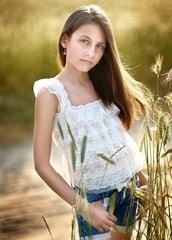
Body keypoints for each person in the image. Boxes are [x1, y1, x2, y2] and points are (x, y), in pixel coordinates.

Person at [33, 5, 149, 240]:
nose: (91, 53)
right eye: (84, 41)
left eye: (100, 46)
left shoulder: (103, 83)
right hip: (94, 202)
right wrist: (85, 208)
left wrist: (143, 183)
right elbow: (41, 165)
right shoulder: (51, 93)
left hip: (130, 190)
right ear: (65, 40)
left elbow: (118, 141)